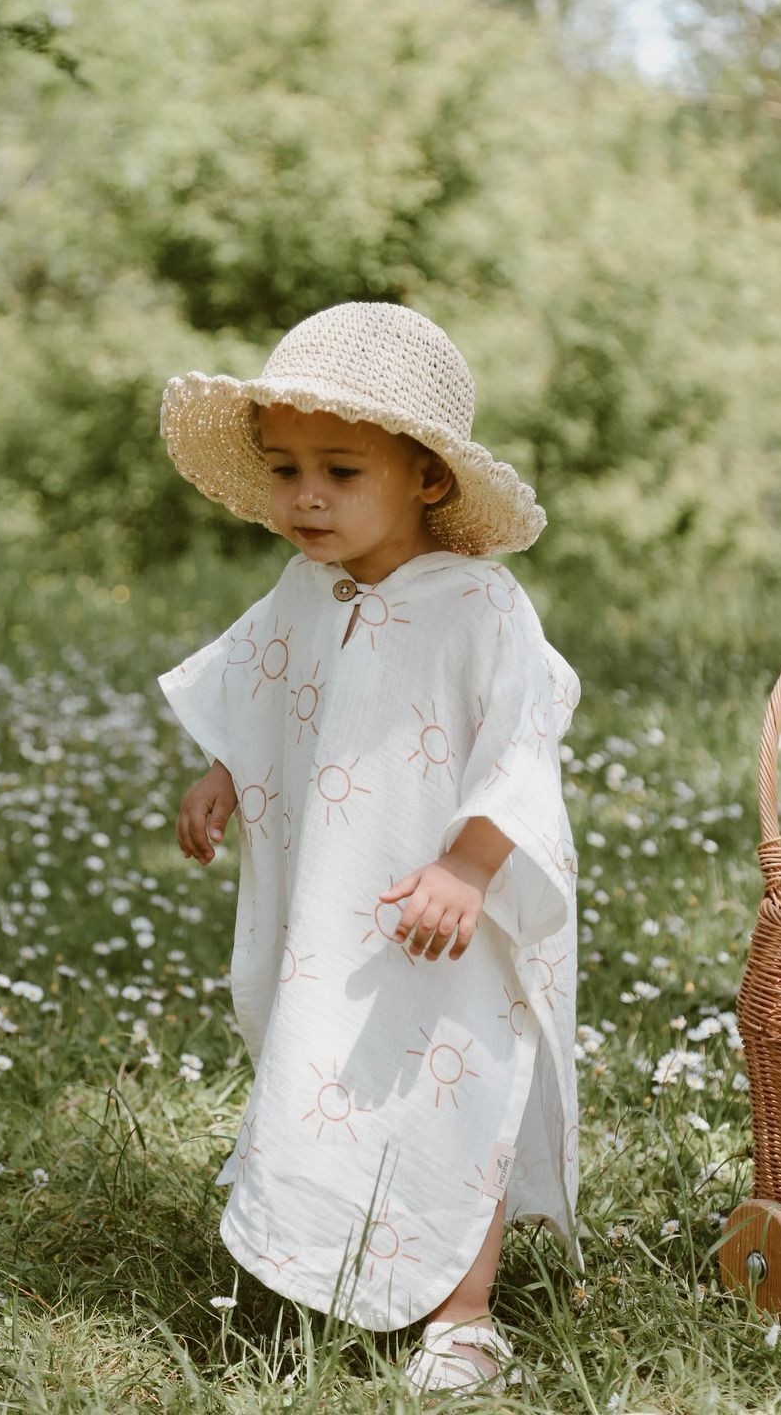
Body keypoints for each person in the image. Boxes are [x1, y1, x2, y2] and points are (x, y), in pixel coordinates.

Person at [157, 301, 582, 1395]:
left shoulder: (481, 606)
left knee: (455, 1092)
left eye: (341, 472)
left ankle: (464, 1313)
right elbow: (267, 700)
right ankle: (324, 1255)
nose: (306, 496)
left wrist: (471, 865)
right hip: (334, 918)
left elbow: (521, 749)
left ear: (426, 480)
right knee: (330, 1070)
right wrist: (226, 776)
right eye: (286, 467)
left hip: (442, 914)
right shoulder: (305, 589)